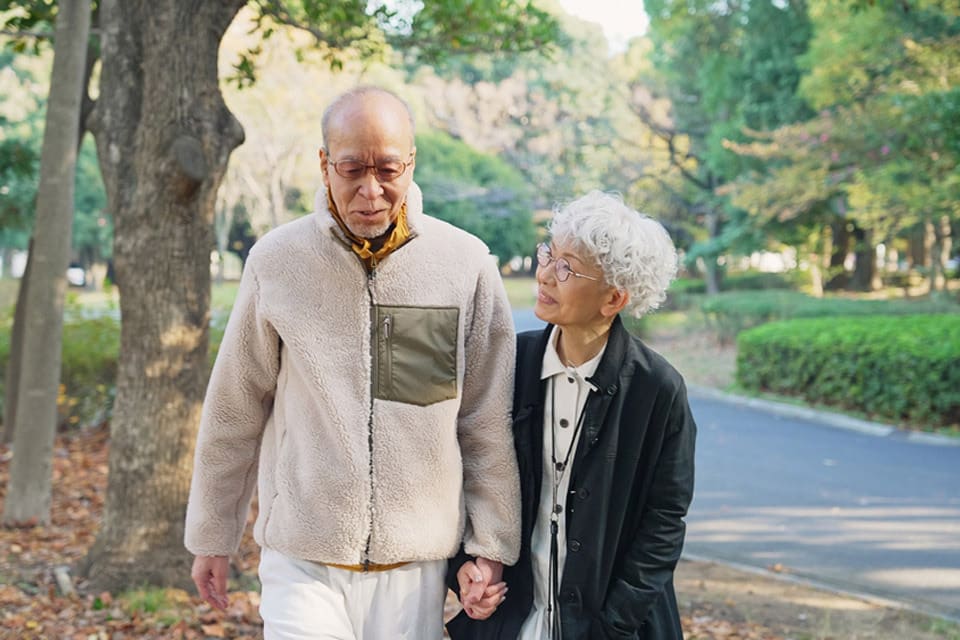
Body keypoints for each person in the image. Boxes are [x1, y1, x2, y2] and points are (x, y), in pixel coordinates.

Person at [184, 86, 521, 640]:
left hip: (417, 567)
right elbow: (234, 409)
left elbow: (484, 420)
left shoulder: (465, 265)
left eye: (388, 169)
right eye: (351, 168)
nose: (370, 190)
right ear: (324, 166)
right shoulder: (276, 261)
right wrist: (211, 534)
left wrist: (490, 545)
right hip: (302, 556)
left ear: (411, 163)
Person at [447, 190, 697, 639]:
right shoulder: (511, 363)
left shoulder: (657, 390)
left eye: (567, 267)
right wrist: (466, 568)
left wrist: (613, 624)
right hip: (515, 620)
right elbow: (463, 470)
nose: (545, 274)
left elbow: (664, 523)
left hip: (611, 629)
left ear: (613, 299)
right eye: (549, 254)